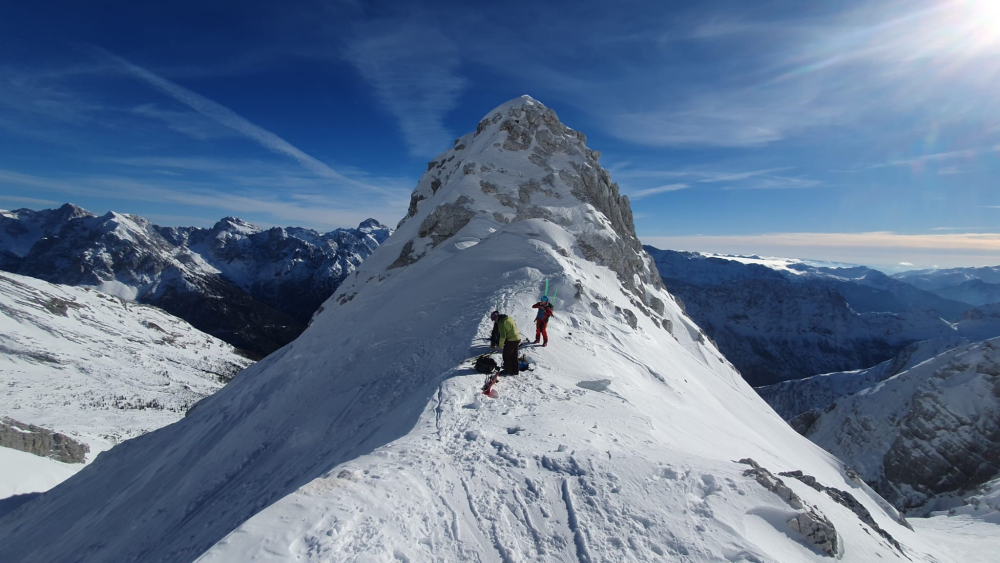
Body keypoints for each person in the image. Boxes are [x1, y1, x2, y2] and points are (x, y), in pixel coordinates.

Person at [491, 310, 520, 375]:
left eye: (494, 320)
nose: (494, 321)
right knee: (514, 355)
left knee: (506, 355)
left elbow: (503, 336)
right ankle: (515, 370)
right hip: (517, 338)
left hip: (511, 340)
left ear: (496, 318)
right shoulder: (508, 318)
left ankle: (508, 371)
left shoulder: (501, 322)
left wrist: (500, 345)